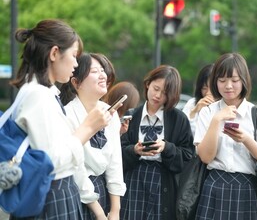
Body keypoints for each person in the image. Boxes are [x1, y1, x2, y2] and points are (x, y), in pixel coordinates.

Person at [9, 19, 111, 219]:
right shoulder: (37, 95)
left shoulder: (42, 93)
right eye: (74, 56)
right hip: (51, 196)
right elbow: (50, 161)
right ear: (54, 53)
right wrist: (87, 129)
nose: (75, 64)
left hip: (54, 193)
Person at [194, 53, 257, 220]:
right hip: (214, 186)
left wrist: (245, 139)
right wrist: (217, 120)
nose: (228, 86)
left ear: (244, 80)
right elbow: (205, 157)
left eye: (234, 80)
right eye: (222, 80)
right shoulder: (207, 112)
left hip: (247, 188)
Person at [120, 65, 195, 220]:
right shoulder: (131, 116)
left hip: (164, 181)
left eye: (165, 93)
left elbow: (188, 156)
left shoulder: (178, 119)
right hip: (134, 179)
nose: (158, 95)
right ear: (148, 84)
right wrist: (134, 150)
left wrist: (166, 147)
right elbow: (117, 152)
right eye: (156, 88)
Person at [60, 53, 127, 220]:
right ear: (76, 82)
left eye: (102, 70)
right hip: (75, 194)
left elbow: (115, 163)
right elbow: (77, 169)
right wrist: (98, 213)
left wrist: (115, 211)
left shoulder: (109, 112)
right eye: (94, 71)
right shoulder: (67, 115)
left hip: (103, 190)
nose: (102, 75)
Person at [182, 64, 215, 136]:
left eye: (212, 88)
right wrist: (194, 111)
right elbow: (183, 132)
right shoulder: (192, 103)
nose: (208, 93)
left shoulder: (225, 105)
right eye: (204, 88)